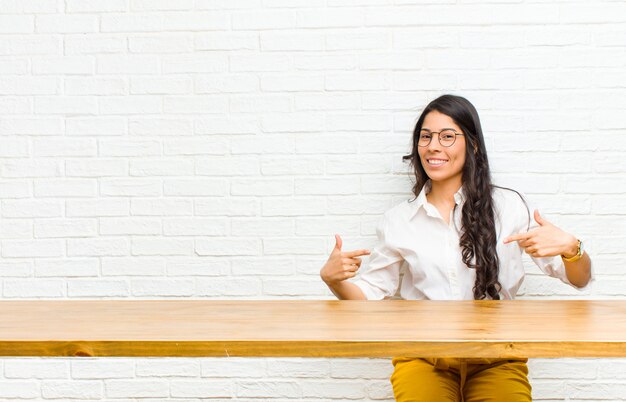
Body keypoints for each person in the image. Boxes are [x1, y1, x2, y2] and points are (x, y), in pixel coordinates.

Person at [319, 94, 592, 402]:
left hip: (497, 358)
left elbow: (579, 279)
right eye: (426, 137)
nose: (433, 146)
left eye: (447, 136)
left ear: (472, 144)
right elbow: (367, 296)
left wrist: (573, 248)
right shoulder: (398, 221)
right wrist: (335, 281)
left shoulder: (509, 207)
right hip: (423, 358)